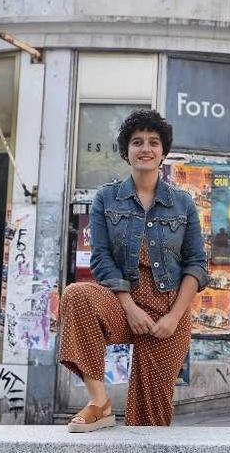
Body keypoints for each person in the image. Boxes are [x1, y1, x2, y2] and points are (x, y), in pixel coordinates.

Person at [58, 109, 209, 432]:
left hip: (168, 310)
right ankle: (99, 403)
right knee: (77, 295)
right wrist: (128, 307)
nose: (145, 148)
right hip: (122, 302)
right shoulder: (106, 199)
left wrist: (174, 317)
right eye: (137, 142)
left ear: (163, 152)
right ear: (126, 152)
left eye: (153, 142)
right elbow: (100, 259)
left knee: (149, 417)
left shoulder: (183, 204)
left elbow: (196, 265)